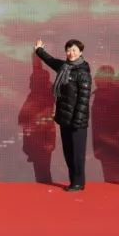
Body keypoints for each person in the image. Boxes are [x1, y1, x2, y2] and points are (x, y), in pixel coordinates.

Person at [34, 38, 92, 191]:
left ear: (81, 52)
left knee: (77, 154)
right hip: (65, 119)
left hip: (77, 122)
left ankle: (78, 183)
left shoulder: (83, 72)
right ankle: (74, 181)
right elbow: (50, 60)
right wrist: (39, 50)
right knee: (68, 152)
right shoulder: (64, 67)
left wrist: (77, 121)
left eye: (74, 50)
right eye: (68, 50)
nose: (71, 53)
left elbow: (84, 99)